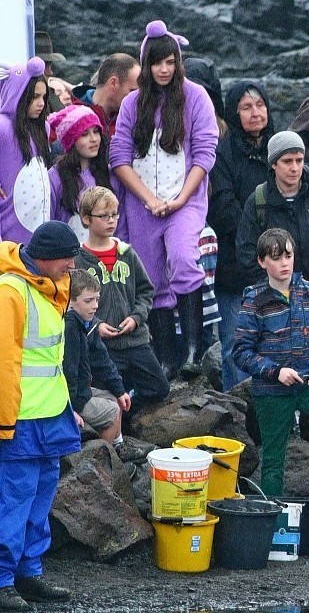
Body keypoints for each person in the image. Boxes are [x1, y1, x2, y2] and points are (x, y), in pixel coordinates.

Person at [109, 21, 218, 380]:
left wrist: (180, 200)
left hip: (184, 201)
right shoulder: (131, 104)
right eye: (157, 63)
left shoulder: (195, 97)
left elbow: (204, 153)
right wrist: (148, 199)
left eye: (170, 62)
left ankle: (192, 347)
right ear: (146, 64)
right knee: (151, 277)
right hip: (142, 204)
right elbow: (120, 156)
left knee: (186, 259)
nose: (164, 69)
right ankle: (165, 355)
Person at [233, 228, 309, 516]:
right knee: (274, 460)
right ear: (262, 262)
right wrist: (275, 372)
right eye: (276, 258)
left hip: (308, 386)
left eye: (288, 255)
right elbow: (241, 352)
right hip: (271, 392)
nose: (285, 263)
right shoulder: (254, 300)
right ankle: (271, 521)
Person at [0, 222, 83, 609]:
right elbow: (5, 363)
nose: (72, 264)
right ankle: (3, 580)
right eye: (67, 257)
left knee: (38, 498)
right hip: (19, 420)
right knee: (14, 499)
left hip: (49, 414)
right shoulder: (11, 292)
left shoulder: (49, 288)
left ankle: (28, 574)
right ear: (47, 258)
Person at [75, 187, 169, 412]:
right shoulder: (77, 260)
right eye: (104, 216)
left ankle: (131, 416)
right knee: (106, 397)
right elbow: (71, 302)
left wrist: (136, 318)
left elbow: (146, 291)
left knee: (159, 387)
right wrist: (95, 325)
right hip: (101, 346)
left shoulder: (127, 253)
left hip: (135, 340)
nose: (111, 221)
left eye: (115, 215)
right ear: (86, 218)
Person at [209, 82, 276, 391]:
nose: (255, 113)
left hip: (276, 266)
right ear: (234, 113)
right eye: (247, 108)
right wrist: (261, 237)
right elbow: (222, 208)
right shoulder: (222, 154)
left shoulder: (279, 149)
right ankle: (235, 412)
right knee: (236, 345)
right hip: (234, 267)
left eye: (260, 105)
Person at [237, 131, 309, 293]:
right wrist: (277, 287)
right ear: (273, 163)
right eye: (287, 161)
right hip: (274, 298)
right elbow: (247, 254)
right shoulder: (258, 201)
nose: (294, 168)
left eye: (299, 160)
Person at [62, 269, 148, 466]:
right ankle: (102, 466)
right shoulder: (70, 326)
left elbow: (102, 359)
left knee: (113, 400)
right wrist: (70, 410)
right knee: (110, 412)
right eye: (88, 301)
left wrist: (119, 390)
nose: (95, 306)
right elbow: (68, 373)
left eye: (97, 299)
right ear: (70, 300)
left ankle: (118, 448)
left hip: (80, 391)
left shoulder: (86, 322)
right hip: (70, 397)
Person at [47, 105, 124, 244]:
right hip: (69, 257)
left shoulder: (110, 174)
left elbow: (121, 223)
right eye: (84, 134)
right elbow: (48, 221)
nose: (94, 139)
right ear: (70, 140)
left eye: (96, 132)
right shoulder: (55, 177)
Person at [0, 57, 52, 245]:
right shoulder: (3, 126)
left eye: (43, 97)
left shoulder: (42, 128)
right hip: (9, 223)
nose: (41, 103)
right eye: (34, 97)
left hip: (39, 222)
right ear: (17, 94)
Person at [70, 53, 140, 138]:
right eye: (132, 91)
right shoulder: (71, 118)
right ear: (113, 83)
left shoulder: (135, 118)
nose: (137, 97)